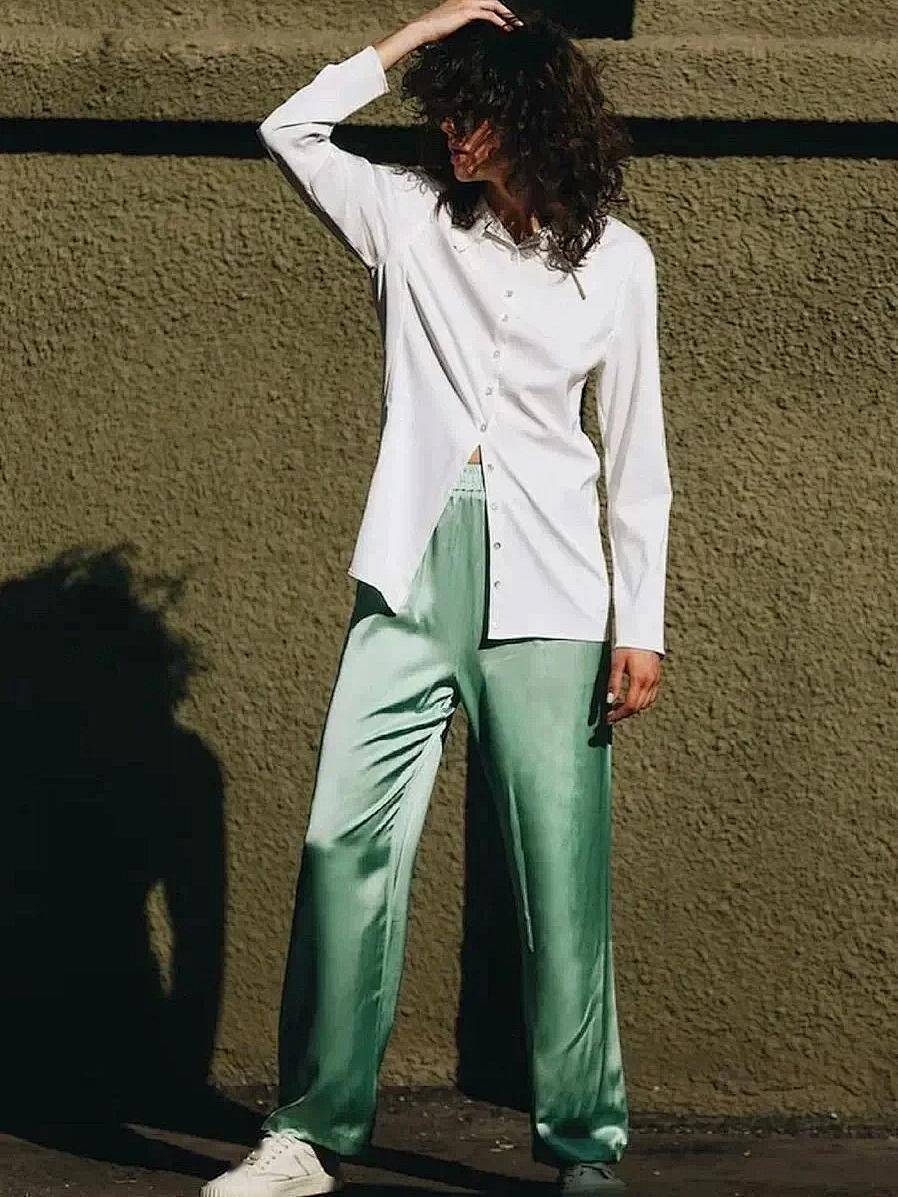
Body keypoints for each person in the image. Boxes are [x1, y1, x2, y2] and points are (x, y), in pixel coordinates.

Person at [202, 3, 672, 1194]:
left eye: (478, 113)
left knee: (560, 873)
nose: (456, 132)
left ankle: (585, 1150)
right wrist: (418, 32)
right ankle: (308, 1133)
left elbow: (636, 455)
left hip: (552, 586)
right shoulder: (404, 219)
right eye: (446, 110)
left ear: (537, 122)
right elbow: (289, 127)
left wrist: (642, 625)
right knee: (342, 841)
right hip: (411, 566)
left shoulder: (617, 263)